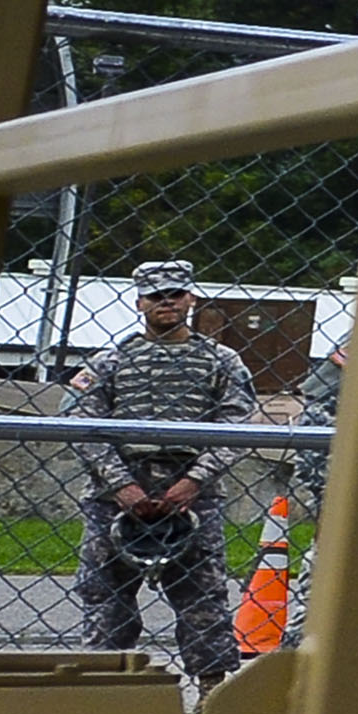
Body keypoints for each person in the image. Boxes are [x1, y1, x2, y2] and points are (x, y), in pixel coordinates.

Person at [66, 255, 258, 683]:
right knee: (104, 594)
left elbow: (238, 426)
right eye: (156, 296)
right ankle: (103, 686)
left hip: (192, 491)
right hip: (116, 492)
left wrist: (195, 481)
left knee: (203, 596)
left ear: (191, 299)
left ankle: (211, 690)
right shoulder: (110, 362)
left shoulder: (221, 361)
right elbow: (82, 425)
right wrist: (121, 485)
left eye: (175, 294)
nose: (166, 302)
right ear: (140, 303)